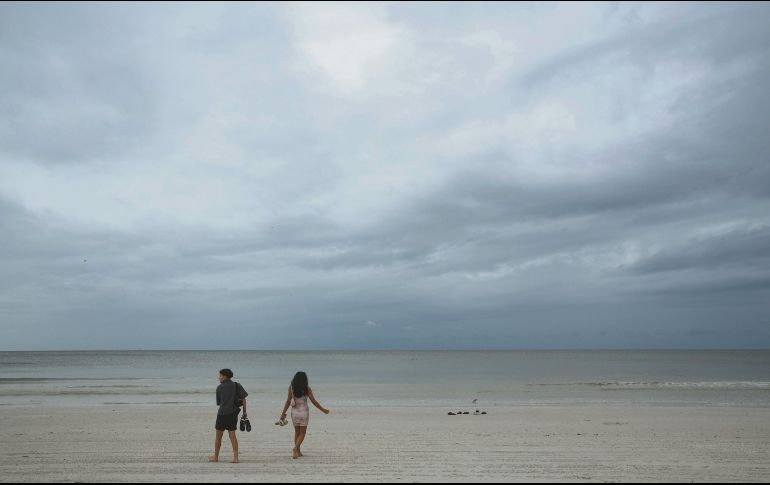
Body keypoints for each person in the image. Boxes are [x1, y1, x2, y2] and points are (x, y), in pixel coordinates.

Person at [278, 371, 330, 459]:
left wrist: (282, 414)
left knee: (297, 432)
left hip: (294, 413)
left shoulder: (291, 388)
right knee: (302, 433)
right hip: (304, 413)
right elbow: (314, 401)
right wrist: (323, 409)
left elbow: (287, 402)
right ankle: (295, 449)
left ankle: (298, 451)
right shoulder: (307, 389)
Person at [209, 368, 248, 464]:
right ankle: (236, 458)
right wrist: (244, 412)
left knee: (218, 436)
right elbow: (243, 399)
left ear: (225, 376)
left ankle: (216, 457)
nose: (219, 377)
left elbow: (219, 403)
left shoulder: (219, 387)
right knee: (232, 435)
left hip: (222, 414)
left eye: (220, 375)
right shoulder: (236, 385)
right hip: (233, 414)